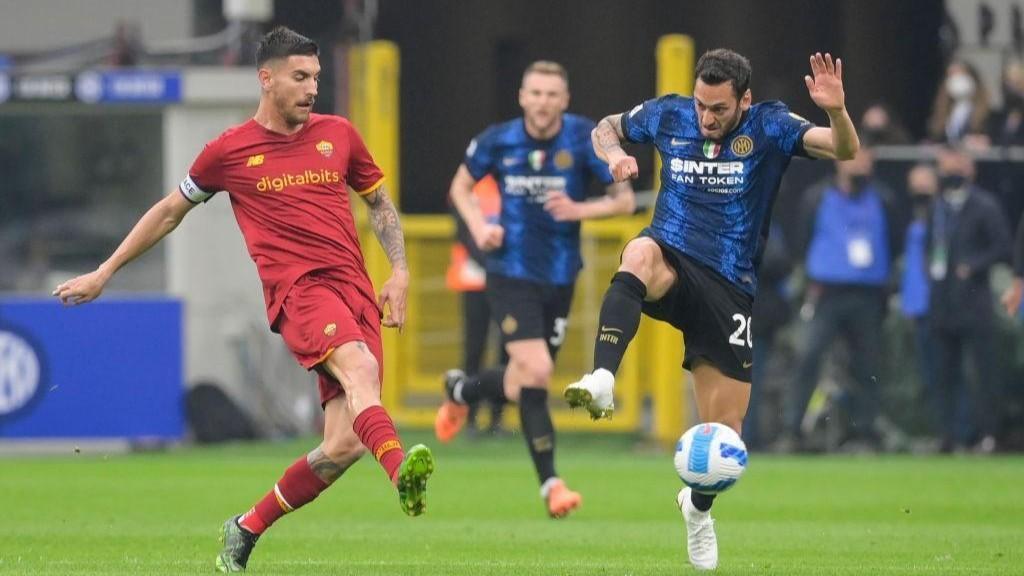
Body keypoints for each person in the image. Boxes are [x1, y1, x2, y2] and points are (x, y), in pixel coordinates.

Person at [51, 27, 434, 573]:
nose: (311, 89)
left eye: (316, 78)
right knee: (361, 367)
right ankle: (404, 474)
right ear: (267, 78)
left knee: (344, 446)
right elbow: (168, 212)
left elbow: (379, 203)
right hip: (300, 294)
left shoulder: (339, 135)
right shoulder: (228, 152)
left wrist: (399, 271)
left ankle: (246, 527)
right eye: (300, 78)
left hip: (354, 291)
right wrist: (105, 271)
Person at [565, 49, 859, 570]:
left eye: (719, 109)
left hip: (729, 286)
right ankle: (603, 378)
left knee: (725, 441)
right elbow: (605, 127)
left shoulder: (771, 125)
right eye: (702, 104)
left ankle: (697, 511)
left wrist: (835, 110)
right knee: (638, 254)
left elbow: (844, 149)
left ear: (743, 100)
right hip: (672, 257)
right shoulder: (669, 113)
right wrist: (613, 157)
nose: (706, 118)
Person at [433, 60, 636, 518]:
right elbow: (460, 188)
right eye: (536, 93)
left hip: (561, 277)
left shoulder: (585, 139)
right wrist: (479, 227)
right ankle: (552, 485)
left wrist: (578, 209)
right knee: (538, 369)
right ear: (522, 97)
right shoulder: (497, 140)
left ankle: (461, 392)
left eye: (552, 95)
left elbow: (623, 201)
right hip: (510, 273)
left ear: (564, 101)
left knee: (522, 378)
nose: (543, 102)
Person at [781, 146, 897, 452]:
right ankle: (794, 429)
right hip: (826, 292)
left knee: (868, 365)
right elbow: (801, 241)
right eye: (855, 156)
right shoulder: (816, 197)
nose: (860, 163)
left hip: (868, 294)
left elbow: (894, 241)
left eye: (866, 156)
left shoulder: (883, 199)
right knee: (808, 356)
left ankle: (865, 433)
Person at [927, 145, 1010, 453]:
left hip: (975, 304)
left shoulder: (985, 206)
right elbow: (929, 248)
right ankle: (947, 436)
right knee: (943, 374)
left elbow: (1003, 247)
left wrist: (973, 265)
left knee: (983, 373)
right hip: (943, 301)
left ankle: (988, 435)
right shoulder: (938, 207)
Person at [445, 174, 508, 436]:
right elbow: (462, 231)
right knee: (474, 349)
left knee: (507, 349)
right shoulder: (470, 188)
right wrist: (491, 263)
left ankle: (497, 417)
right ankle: (470, 418)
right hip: (475, 281)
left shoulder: (510, 185)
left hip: (506, 282)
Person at [926, 60, 991, 146]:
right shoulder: (942, 114)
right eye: (951, 75)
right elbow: (937, 138)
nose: (956, 79)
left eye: (960, 74)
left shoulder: (986, 113)